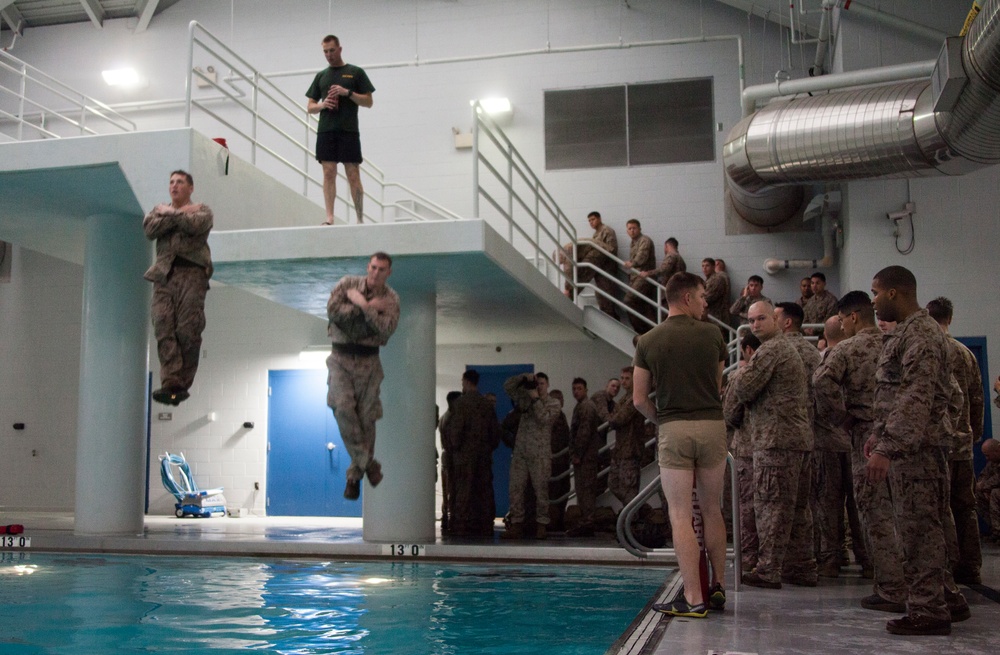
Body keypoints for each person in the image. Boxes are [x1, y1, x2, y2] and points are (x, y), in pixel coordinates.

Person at [865, 265, 968, 635]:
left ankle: (928, 612)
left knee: (918, 532)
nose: (873, 300)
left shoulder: (920, 335)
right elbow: (949, 395)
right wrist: (880, 434)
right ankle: (947, 597)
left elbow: (915, 396)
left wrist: (889, 446)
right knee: (929, 527)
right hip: (917, 446)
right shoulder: (917, 333)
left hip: (916, 454)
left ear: (894, 292)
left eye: (876, 292)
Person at [633, 272, 728, 618]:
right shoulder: (714, 335)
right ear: (686, 298)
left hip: (674, 428)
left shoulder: (648, 340)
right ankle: (718, 586)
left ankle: (693, 598)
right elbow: (716, 386)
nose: (706, 303)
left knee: (680, 515)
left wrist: (663, 420)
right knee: (712, 509)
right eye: (703, 297)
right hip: (712, 426)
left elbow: (639, 399)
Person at [730, 300, 816, 589]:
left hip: (776, 440)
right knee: (797, 510)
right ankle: (801, 566)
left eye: (761, 319)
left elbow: (743, 389)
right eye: (751, 320)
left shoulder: (771, 350)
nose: (755, 325)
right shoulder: (785, 349)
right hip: (796, 439)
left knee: (770, 507)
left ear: (777, 321)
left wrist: (738, 373)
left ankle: (768, 570)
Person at [326, 252, 400, 500]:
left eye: (382, 270)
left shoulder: (391, 299)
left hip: (369, 361)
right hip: (340, 358)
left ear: (389, 273)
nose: (376, 273)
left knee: (366, 419)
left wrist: (362, 305)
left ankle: (353, 477)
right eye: (373, 267)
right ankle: (368, 464)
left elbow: (385, 330)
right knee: (343, 407)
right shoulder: (346, 284)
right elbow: (334, 313)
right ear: (367, 267)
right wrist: (367, 310)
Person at [927, 297, 985, 584]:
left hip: (938, 442)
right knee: (966, 506)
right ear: (950, 317)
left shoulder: (930, 349)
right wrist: (974, 431)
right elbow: (977, 397)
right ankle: (971, 564)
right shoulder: (965, 353)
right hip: (963, 442)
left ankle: (946, 565)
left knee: (939, 506)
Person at [143, 170, 213, 406]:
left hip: (192, 274)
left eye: (180, 182)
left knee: (187, 329)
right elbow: (150, 229)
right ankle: (171, 380)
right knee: (162, 322)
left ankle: (183, 381)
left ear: (190, 188)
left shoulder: (203, 209)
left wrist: (170, 214)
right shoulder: (158, 209)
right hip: (164, 275)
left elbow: (195, 225)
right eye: (171, 182)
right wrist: (177, 215)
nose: (174, 186)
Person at [811, 311, 869, 578]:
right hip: (859, 440)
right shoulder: (863, 353)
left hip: (829, 440)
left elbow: (819, 391)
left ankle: (831, 559)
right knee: (861, 504)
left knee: (828, 505)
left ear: (825, 335)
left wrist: (838, 418)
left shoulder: (824, 360)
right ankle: (868, 558)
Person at [306, 34, 375, 225]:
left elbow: (369, 102)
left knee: (353, 173)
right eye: (325, 51)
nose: (328, 55)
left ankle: (360, 218)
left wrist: (348, 93)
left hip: (348, 130)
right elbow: (310, 107)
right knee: (328, 172)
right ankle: (329, 217)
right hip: (326, 130)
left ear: (340, 49)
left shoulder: (355, 72)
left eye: (332, 50)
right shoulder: (321, 76)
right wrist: (322, 105)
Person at [502, 372, 561, 540]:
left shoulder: (553, 403)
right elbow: (507, 387)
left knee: (541, 490)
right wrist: (521, 378)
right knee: (516, 489)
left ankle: (541, 525)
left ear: (547, 385)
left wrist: (535, 399)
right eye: (537, 384)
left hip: (540, 454)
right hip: (521, 452)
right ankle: (516, 524)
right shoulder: (524, 398)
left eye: (542, 384)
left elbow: (545, 419)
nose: (539, 387)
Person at [442, 370, 501, 537]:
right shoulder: (486, 405)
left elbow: (455, 432)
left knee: (462, 491)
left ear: (466, 381)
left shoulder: (460, 404)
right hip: (483, 456)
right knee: (484, 491)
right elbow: (495, 433)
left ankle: (459, 526)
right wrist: (487, 449)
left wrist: (456, 449)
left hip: (464, 456)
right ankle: (485, 526)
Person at [723, 331, 761, 573]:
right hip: (774, 445)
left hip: (747, 446)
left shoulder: (742, 376)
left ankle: (749, 557)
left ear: (747, 350)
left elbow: (729, 412)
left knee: (747, 505)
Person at [607, 367, 647, 507]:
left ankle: (634, 518)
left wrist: (612, 420)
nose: (623, 381)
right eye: (622, 378)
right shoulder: (624, 398)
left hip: (631, 450)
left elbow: (619, 419)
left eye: (627, 378)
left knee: (628, 488)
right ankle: (637, 511)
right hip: (620, 449)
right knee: (613, 484)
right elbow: (614, 418)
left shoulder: (635, 398)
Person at [568, 377, 602, 537]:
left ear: (586, 389)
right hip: (584, 456)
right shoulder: (581, 406)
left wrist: (577, 454)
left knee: (586, 490)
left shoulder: (587, 407)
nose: (576, 392)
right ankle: (585, 521)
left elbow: (584, 432)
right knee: (582, 490)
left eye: (579, 388)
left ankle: (588, 522)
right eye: (574, 389)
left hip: (586, 457)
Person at [575, 211, 619, 318]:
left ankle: (613, 325)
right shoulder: (596, 234)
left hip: (607, 269)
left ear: (599, 219)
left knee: (607, 299)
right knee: (601, 299)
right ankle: (608, 324)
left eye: (593, 219)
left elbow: (612, 249)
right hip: (599, 270)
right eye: (589, 221)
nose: (591, 222)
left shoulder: (607, 231)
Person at [622, 219, 657, 332]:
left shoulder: (644, 240)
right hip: (636, 278)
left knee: (629, 300)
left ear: (639, 229)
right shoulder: (633, 243)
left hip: (644, 277)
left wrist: (632, 263)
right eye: (629, 229)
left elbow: (642, 256)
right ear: (627, 231)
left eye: (634, 228)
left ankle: (642, 331)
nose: (632, 231)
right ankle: (652, 331)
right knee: (645, 306)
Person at [438, 390, 462, 533]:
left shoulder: (444, 417)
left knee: (448, 490)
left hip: (447, 458)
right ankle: (450, 518)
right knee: (452, 490)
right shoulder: (451, 418)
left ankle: (446, 517)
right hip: (451, 458)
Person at [976, 439, 1000, 543]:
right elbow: (984, 475)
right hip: (993, 489)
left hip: (996, 490)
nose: (986, 458)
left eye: (988, 455)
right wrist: (983, 487)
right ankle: (994, 528)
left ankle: (998, 532)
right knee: (977, 497)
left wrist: (985, 487)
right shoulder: (992, 462)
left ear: (997, 451)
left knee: (995, 493)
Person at [704, 258, 731, 329]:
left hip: (717, 318)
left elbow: (706, 298)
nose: (704, 268)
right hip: (713, 318)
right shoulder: (710, 279)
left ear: (714, 266)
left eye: (707, 266)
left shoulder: (717, 278)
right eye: (703, 266)